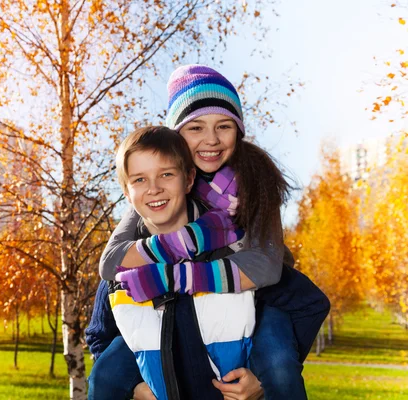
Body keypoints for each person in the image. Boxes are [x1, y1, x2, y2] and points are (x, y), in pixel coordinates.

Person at [87, 65, 330, 400]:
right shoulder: (160, 190)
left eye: (224, 126)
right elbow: (114, 263)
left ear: (238, 131)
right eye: (196, 127)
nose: (211, 139)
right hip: (182, 313)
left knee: (276, 362)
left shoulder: (254, 181)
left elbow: (267, 268)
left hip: (261, 297)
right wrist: (135, 386)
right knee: (110, 373)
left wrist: (259, 379)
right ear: (175, 137)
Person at [89, 125, 259, 400]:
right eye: (139, 180)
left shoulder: (234, 256)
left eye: (166, 175)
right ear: (126, 191)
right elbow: (99, 338)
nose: (154, 189)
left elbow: (282, 325)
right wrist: (134, 388)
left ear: (189, 179)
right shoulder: (120, 269)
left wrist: (261, 379)